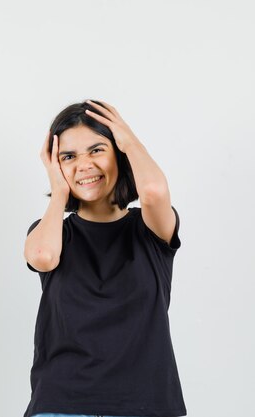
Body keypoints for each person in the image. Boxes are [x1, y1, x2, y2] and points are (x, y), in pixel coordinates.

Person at [22, 99, 187, 417]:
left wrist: (129, 139)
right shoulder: (53, 232)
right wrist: (59, 190)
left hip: (147, 405)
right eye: (68, 157)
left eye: (96, 150)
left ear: (119, 154)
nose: (83, 165)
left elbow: (152, 191)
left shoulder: (150, 230)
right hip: (61, 405)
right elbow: (43, 256)